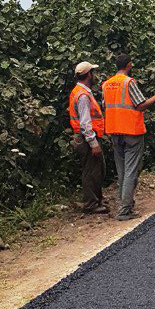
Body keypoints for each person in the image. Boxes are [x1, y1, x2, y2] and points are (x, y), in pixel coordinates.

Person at [102, 55, 155, 220]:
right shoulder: (128, 82)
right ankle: (125, 211)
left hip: (114, 131)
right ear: (129, 65)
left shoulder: (106, 84)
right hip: (131, 131)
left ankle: (127, 205)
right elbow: (141, 105)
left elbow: (107, 107)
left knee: (122, 171)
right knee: (131, 171)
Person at [68, 61, 108, 214]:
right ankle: (91, 204)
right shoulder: (83, 96)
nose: (94, 75)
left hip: (85, 137)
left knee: (97, 170)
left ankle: (96, 201)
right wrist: (93, 143)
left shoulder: (79, 91)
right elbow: (85, 123)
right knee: (92, 171)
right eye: (93, 72)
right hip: (87, 138)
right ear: (89, 75)